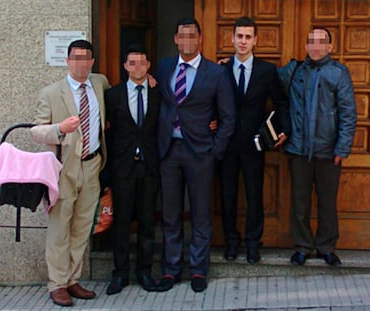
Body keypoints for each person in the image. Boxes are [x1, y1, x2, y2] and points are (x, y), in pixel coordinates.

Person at [155, 17, 236, 293]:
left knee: (201, 214)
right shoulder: (164, 67)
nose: (187, 40)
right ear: (176, 39)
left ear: (200, 39)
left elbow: (228, 117)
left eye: (192, 35)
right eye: (182, 36)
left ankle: (198, 270)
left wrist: (216, 149)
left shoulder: (216, 73)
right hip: (169, 151)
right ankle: (171, 269)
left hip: (201, 152)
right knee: (170, 214)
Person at [30, 39, 110, 306]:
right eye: (75, 58)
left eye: (85, 58)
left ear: (92, 61)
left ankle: (73, 279)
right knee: (59, 229)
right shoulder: (52, 93)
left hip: (92, 164)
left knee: (81, 227)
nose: (80, 63)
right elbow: (36, 131)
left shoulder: (99, 83)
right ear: (67, 60)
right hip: (64, 169)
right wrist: (59, 129)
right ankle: (57, 284)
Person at [277, 28, 356, 266]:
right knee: (299, 202)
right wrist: (229, 64)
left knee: (327, 202)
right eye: (311, 41)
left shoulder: (339, 73)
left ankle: (326, 247)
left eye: (321, 42)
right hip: (298, 150)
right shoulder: (293, 71)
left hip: (328, 151)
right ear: (306, 46)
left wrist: (342, 148)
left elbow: (348, 113)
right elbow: (264, 75)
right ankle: (302, 246)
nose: (315, 46)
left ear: (330, 47)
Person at [218, 16, 290, 264]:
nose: (243, 41)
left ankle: (252, 243)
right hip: (226, 145)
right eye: (239, 36)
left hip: (254, 144)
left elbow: (281, 102)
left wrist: (283, 130)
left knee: (254, 195)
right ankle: (231, 241)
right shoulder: (221, 69)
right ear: (232, 38)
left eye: (248, 37)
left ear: (255, 41)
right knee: (227, 195)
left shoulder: (267, 71)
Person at [104, 44, 160, 295]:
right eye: (132, 63)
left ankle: (145, 272)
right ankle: (120, 273)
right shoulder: (112, 95)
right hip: (123, 168)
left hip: (149, 166)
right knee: (122, 223)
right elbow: (107, 131)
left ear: (148, 66)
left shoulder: (158, 92)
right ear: (125, 66)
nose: (138, 67)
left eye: (142, 63)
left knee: (148, 222)